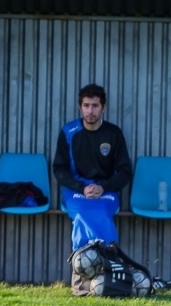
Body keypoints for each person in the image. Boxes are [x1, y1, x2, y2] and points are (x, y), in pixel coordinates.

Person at [52, 83, 133, 251]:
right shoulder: (69, 131)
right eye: (86, 105)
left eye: (95, 105)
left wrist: (103, 188)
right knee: (81, 215)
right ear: (79, 107)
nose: (90, 111)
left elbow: (125, 171)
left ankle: (108, 264)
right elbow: (59, 169)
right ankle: (82, 266)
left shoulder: (113, 133)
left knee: (102, 215)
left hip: (106, 191)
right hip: (76, 191)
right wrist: (82, 188)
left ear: (103, 107)